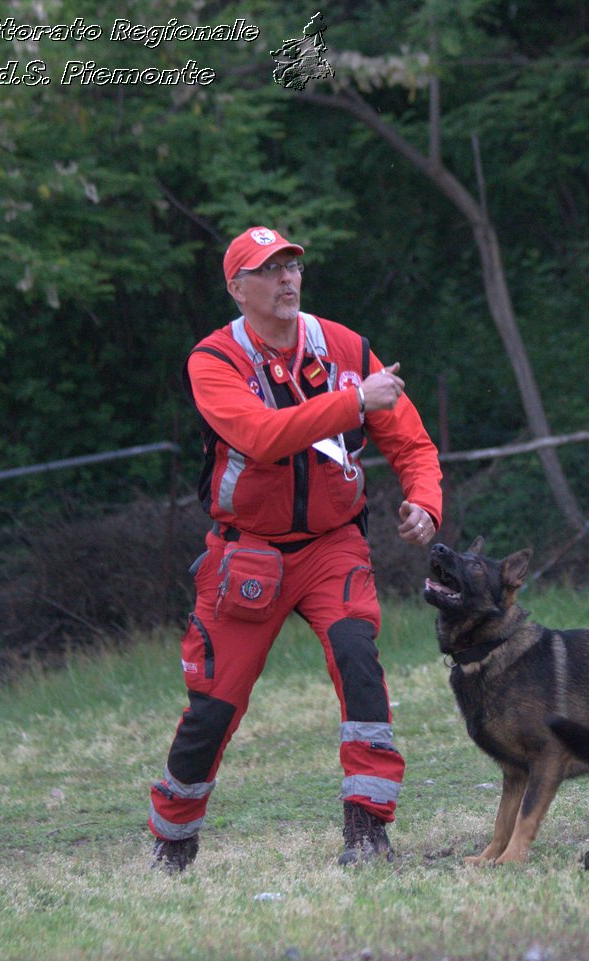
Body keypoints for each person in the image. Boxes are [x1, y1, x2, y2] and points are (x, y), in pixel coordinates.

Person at [148, 225, 442, 873]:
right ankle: (173, 842)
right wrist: (350, 403)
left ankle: (367, 833)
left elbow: (412, 444)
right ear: (237, 288)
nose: (286, 279)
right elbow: (260, 437)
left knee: (359, 665)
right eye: (268, 269)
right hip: (244, 554)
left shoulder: (343, 346)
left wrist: (425, 501)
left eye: (292, 266)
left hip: (333, 545)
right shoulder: (213, 359)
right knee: (215, 706)